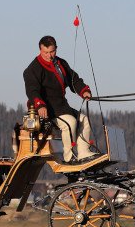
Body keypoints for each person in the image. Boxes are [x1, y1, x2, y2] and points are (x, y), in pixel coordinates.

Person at [23, 35, 99, 163]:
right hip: (47, 110)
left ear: (56, 49)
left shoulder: (61, 63)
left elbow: (73, 79)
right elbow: (32, 90)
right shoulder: (33, 69)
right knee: (70, 123)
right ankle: (69, 157)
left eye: (52, 52)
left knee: (85, 120)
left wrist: (83, 90)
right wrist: (40, 105)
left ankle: (83, 152)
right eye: (46, 52)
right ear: (40, 50)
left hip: (62, 106)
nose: (49, 55)